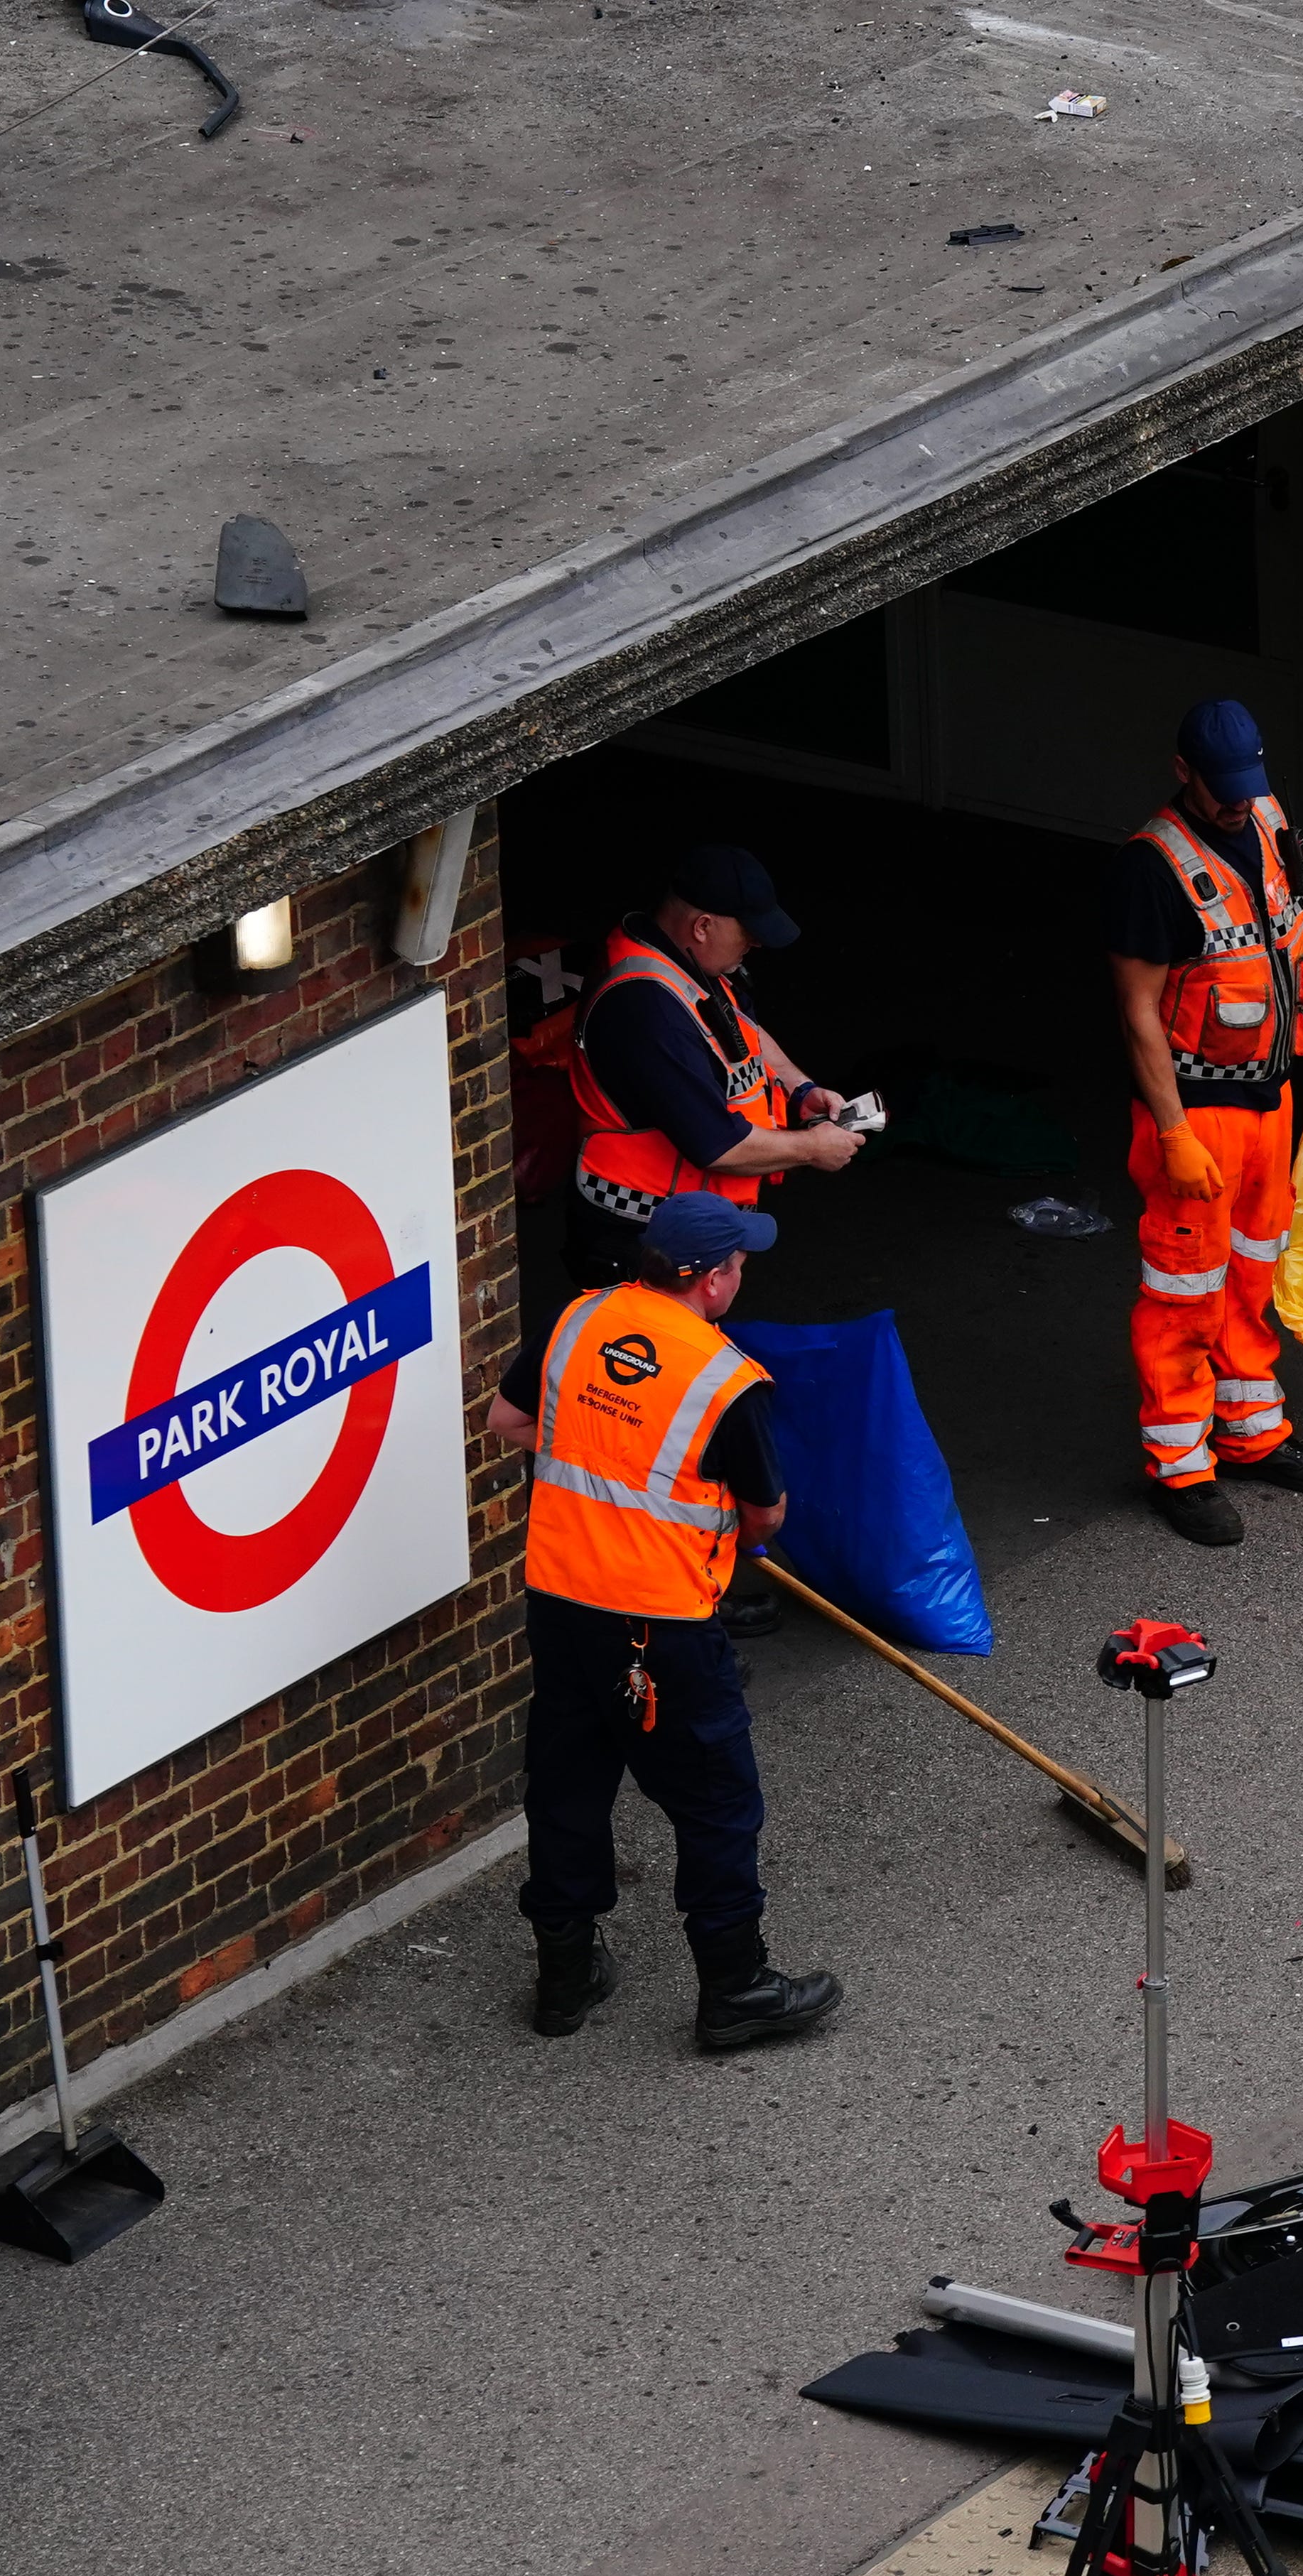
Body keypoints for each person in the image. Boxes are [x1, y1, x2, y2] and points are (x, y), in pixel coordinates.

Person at [485, 1193, 845, 2051]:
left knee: (568, 1785)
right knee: (719, 1803)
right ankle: (735, 1987)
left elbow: (508, 1423)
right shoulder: (727, 1380)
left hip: (561, 1601)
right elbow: (765, 1516)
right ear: (713, 1280)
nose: (742, 1273)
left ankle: (564, 1977)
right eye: (740, 1263)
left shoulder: (581, 1320)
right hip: (660, 1626)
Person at [1108, 699, 1303, 1548]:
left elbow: (1290, 940)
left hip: (1271, 1097)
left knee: (1252, 1274)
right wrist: (1174, 1130)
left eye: (1245, 786)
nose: (1235, 802)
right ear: (1183, 771)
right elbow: (1139, 1012)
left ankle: (1252, 1431)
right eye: (1220, 789)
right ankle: (1181, 1469)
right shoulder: (1153, 867)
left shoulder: (1265, 819)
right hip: (1199, 1109)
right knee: (1184, 1291)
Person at [566, 846, 864, 1292]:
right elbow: (718, 1146)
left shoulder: (683, 959)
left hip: (686, 1223)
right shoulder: (646, 1011)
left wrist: (801, 1089)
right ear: (704, 926)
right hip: (643, 1240)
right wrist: (812, 1147)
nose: (757, 944)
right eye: (748, 933)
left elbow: (744, 1032)